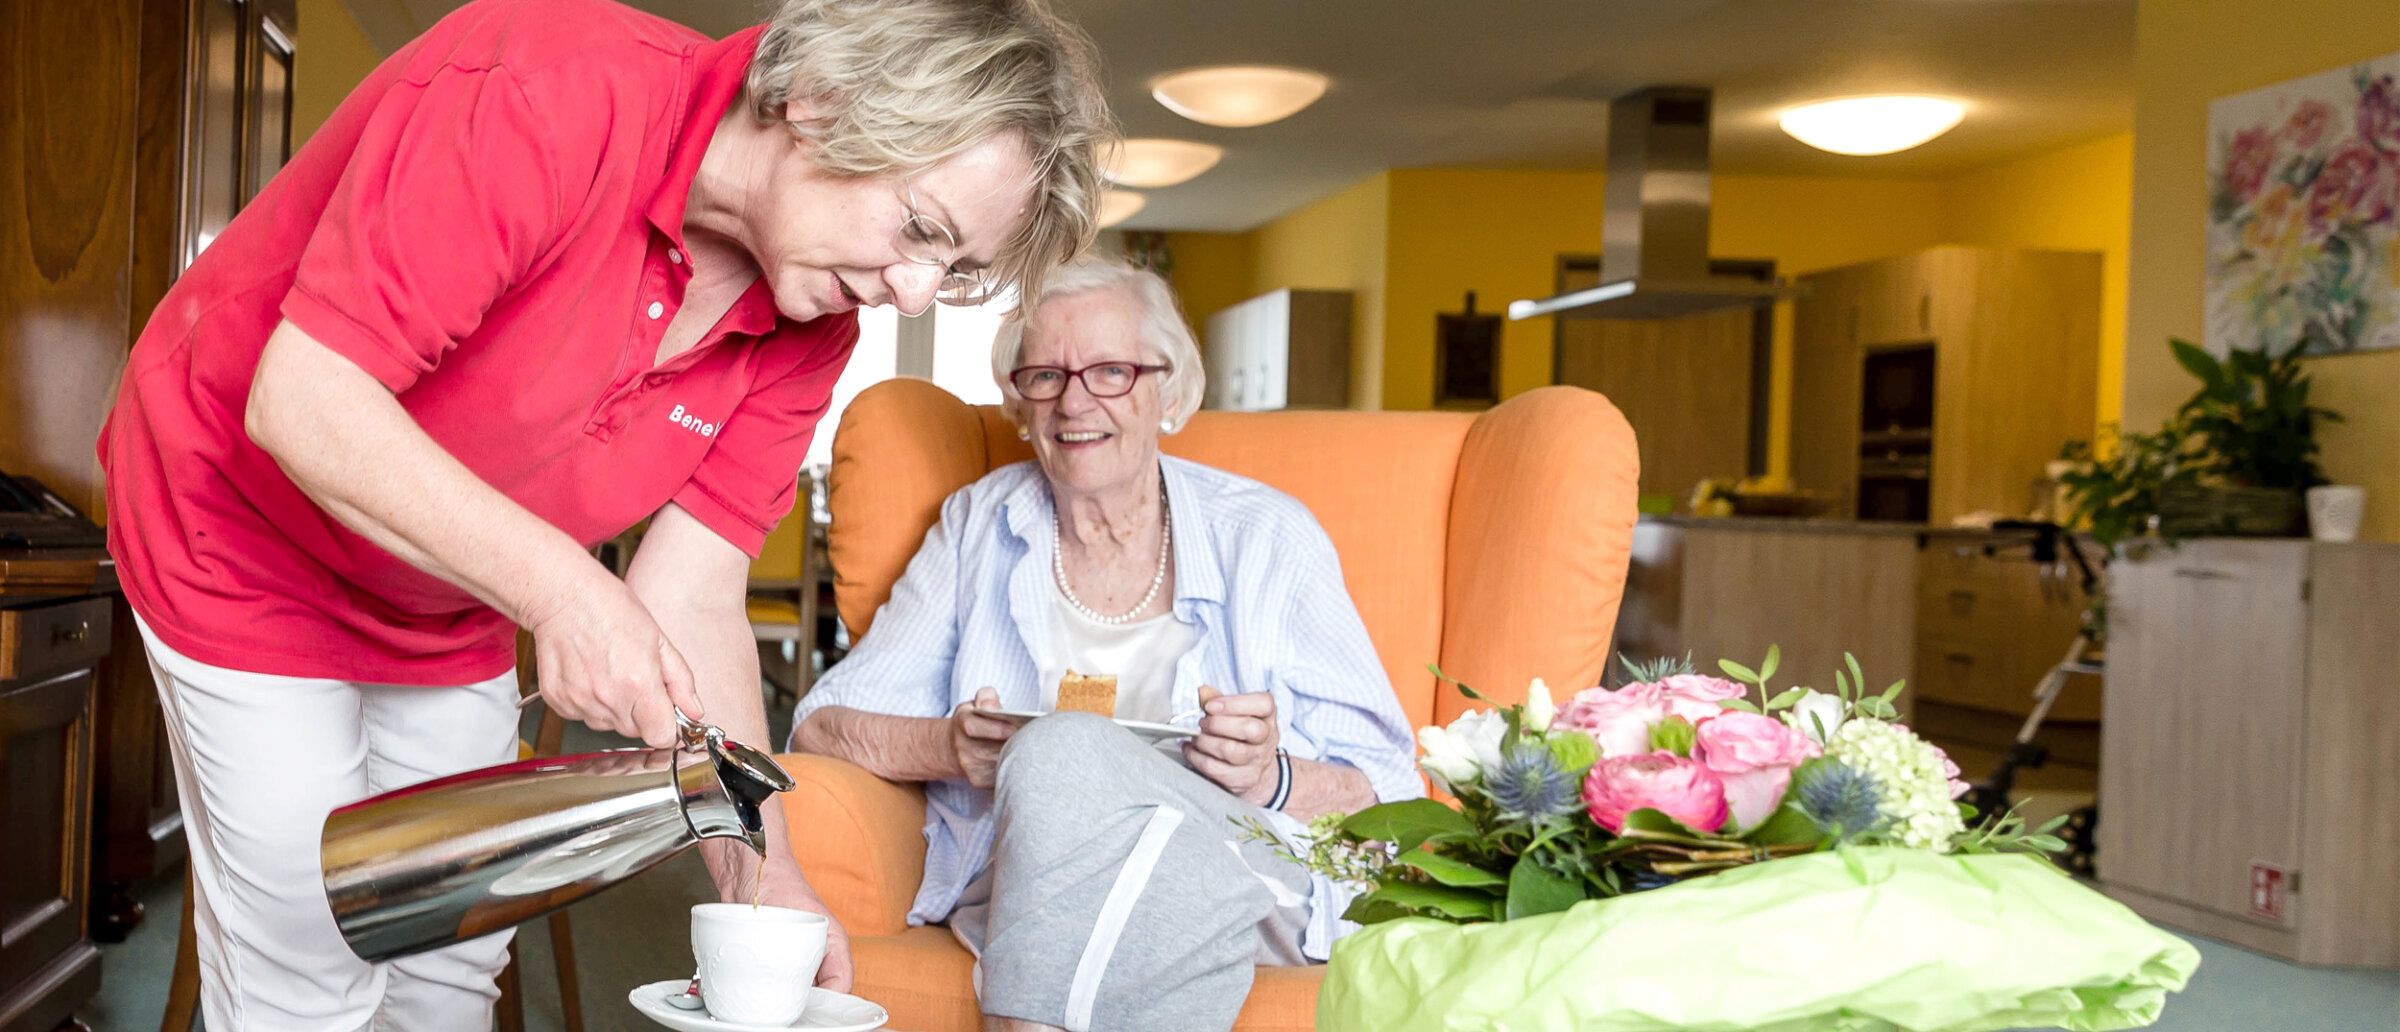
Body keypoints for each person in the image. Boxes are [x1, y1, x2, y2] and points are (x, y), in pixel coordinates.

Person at [94, 0, 1110, 1026]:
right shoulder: (548, 96)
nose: (917, 293)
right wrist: (565, 593)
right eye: (922, 229)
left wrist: (762, 866)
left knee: (450, 952)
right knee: (311, 961)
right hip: (239, 530)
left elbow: (694, 592)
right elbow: (306, 401)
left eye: (957, 267)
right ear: (819, 102)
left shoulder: (812, 325)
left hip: (446, 593)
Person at [789, 260, 1421, 1032]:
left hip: (1244, 868)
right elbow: (820, 727)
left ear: (1170, 391)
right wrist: (950, 748)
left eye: (1112, 372)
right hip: (1032, 874)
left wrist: (1270, 778)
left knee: (1063, 754)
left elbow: (1391, 786)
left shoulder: (1268, 536)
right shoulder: (976, 527)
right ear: (1020, 401)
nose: (1074, 401)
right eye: (1046, 375)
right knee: (1063, 765)